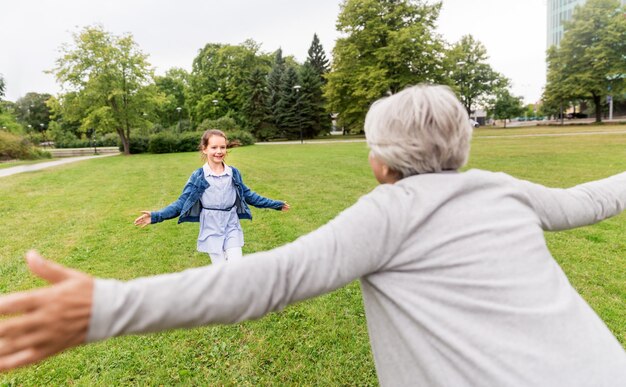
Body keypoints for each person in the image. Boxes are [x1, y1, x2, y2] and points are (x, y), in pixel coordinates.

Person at [0, 84, 625, 386]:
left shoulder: (387, 212)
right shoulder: (503, 188)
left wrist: (107, 305)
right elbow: (597, 198)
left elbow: (273, 279)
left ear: (380, 162)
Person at [133, 129, 290, 264]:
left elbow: (249, 195)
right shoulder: (199, 176)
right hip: (211, 227)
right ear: (205, 149)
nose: (219, 151)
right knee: (221, 272)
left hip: (231, 224)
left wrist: (275, 204)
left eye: (222, 147)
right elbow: (182, 203)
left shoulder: (233, 173)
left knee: (236, 266)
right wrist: (156, 216)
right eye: (214, 147)